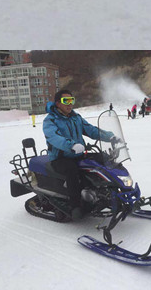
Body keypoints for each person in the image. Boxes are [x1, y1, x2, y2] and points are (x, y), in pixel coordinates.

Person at [43, 90, 116, 220]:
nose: (70, 104)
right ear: (58, 103)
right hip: (60, 157)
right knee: (72, 171)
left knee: (100, 159)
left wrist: (110, 137)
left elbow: (91, 130)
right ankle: (75, 206)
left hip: (78, 154)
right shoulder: (50, 120)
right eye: (66, 101)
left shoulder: (76, 117)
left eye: (72, 100)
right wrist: (71, 145)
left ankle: (110, 193)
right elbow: (54, 137)